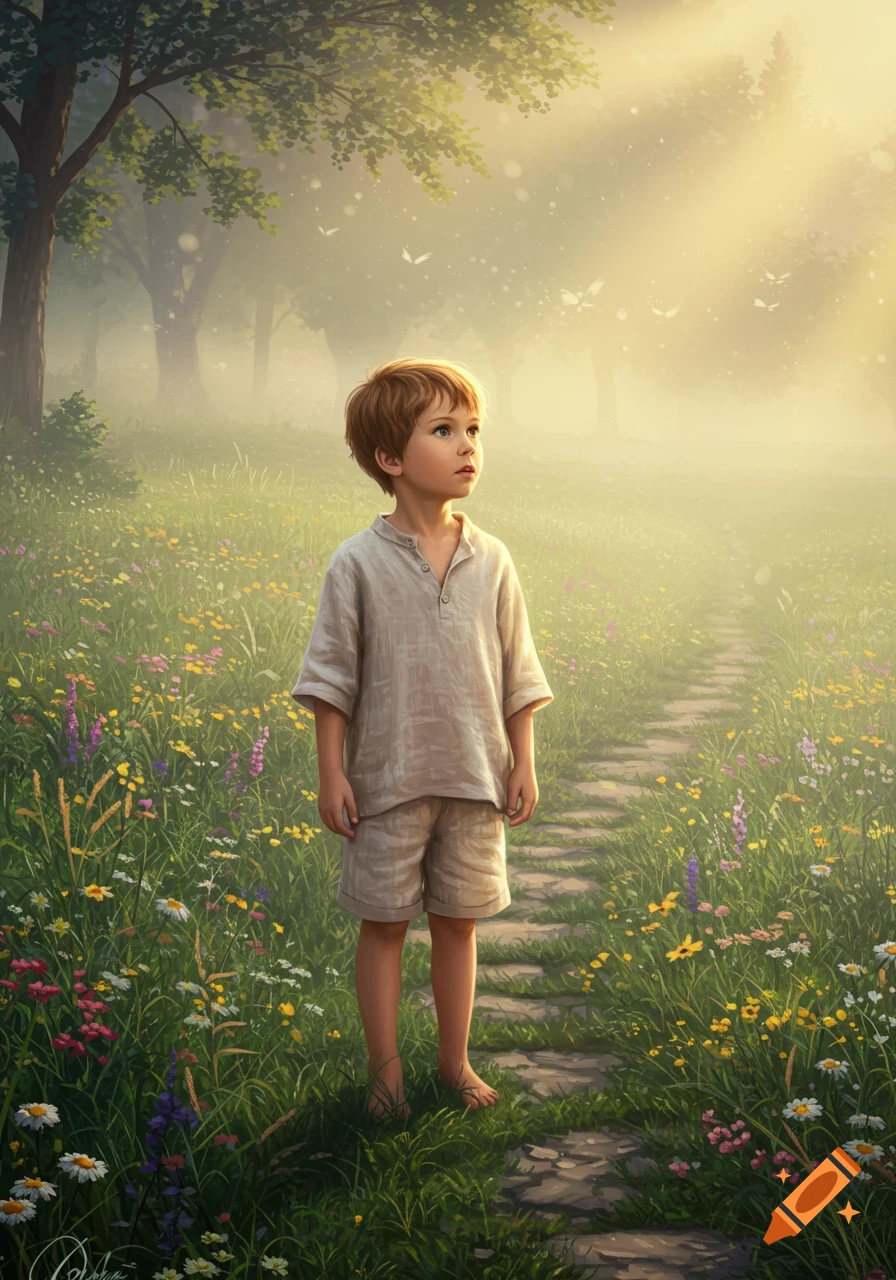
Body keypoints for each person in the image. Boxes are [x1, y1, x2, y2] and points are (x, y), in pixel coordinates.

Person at [291, 357, 553, 1119]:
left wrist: (523, 761)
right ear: (391, 459)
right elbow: (332, 678)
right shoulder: (357, 563)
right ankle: (385, 1075)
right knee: (383, 926)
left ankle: (454, 1065)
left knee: (457, 925)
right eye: (445, 430)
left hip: (475, 779)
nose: (469, 445)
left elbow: (519, 672)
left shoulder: (493, 559)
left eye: (474, 429)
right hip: (386, 782)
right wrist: (331, 773)